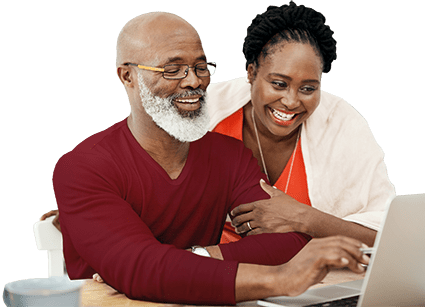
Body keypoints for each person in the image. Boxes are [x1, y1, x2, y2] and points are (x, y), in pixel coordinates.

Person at [51, 11, 369, 305]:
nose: (194, 81)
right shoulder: (82, 168)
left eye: (201, 67)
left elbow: (289, 241)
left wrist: (192, 259)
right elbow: (140, 270)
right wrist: (281, 278)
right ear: (127, 76)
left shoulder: (229, 155)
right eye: (173, 69)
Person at [209, 1, 396, 246]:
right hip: (209, 268)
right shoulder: (207, 112)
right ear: (252, 73)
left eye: (308, 88)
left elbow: (389, 236)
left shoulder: (342, 126)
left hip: (309, 276)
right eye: (278, 84)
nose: (290, 101)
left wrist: (303, 218)